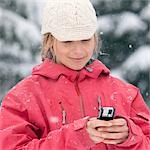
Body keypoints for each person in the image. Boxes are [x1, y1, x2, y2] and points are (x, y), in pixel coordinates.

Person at [0, 0, 149, 149]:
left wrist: (131, 137)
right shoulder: (22, 98)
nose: (78, 51)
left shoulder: (125, 93)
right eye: (67, 41)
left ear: (95, 38)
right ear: (50, 40)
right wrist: (77, 137)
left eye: (85, 40)